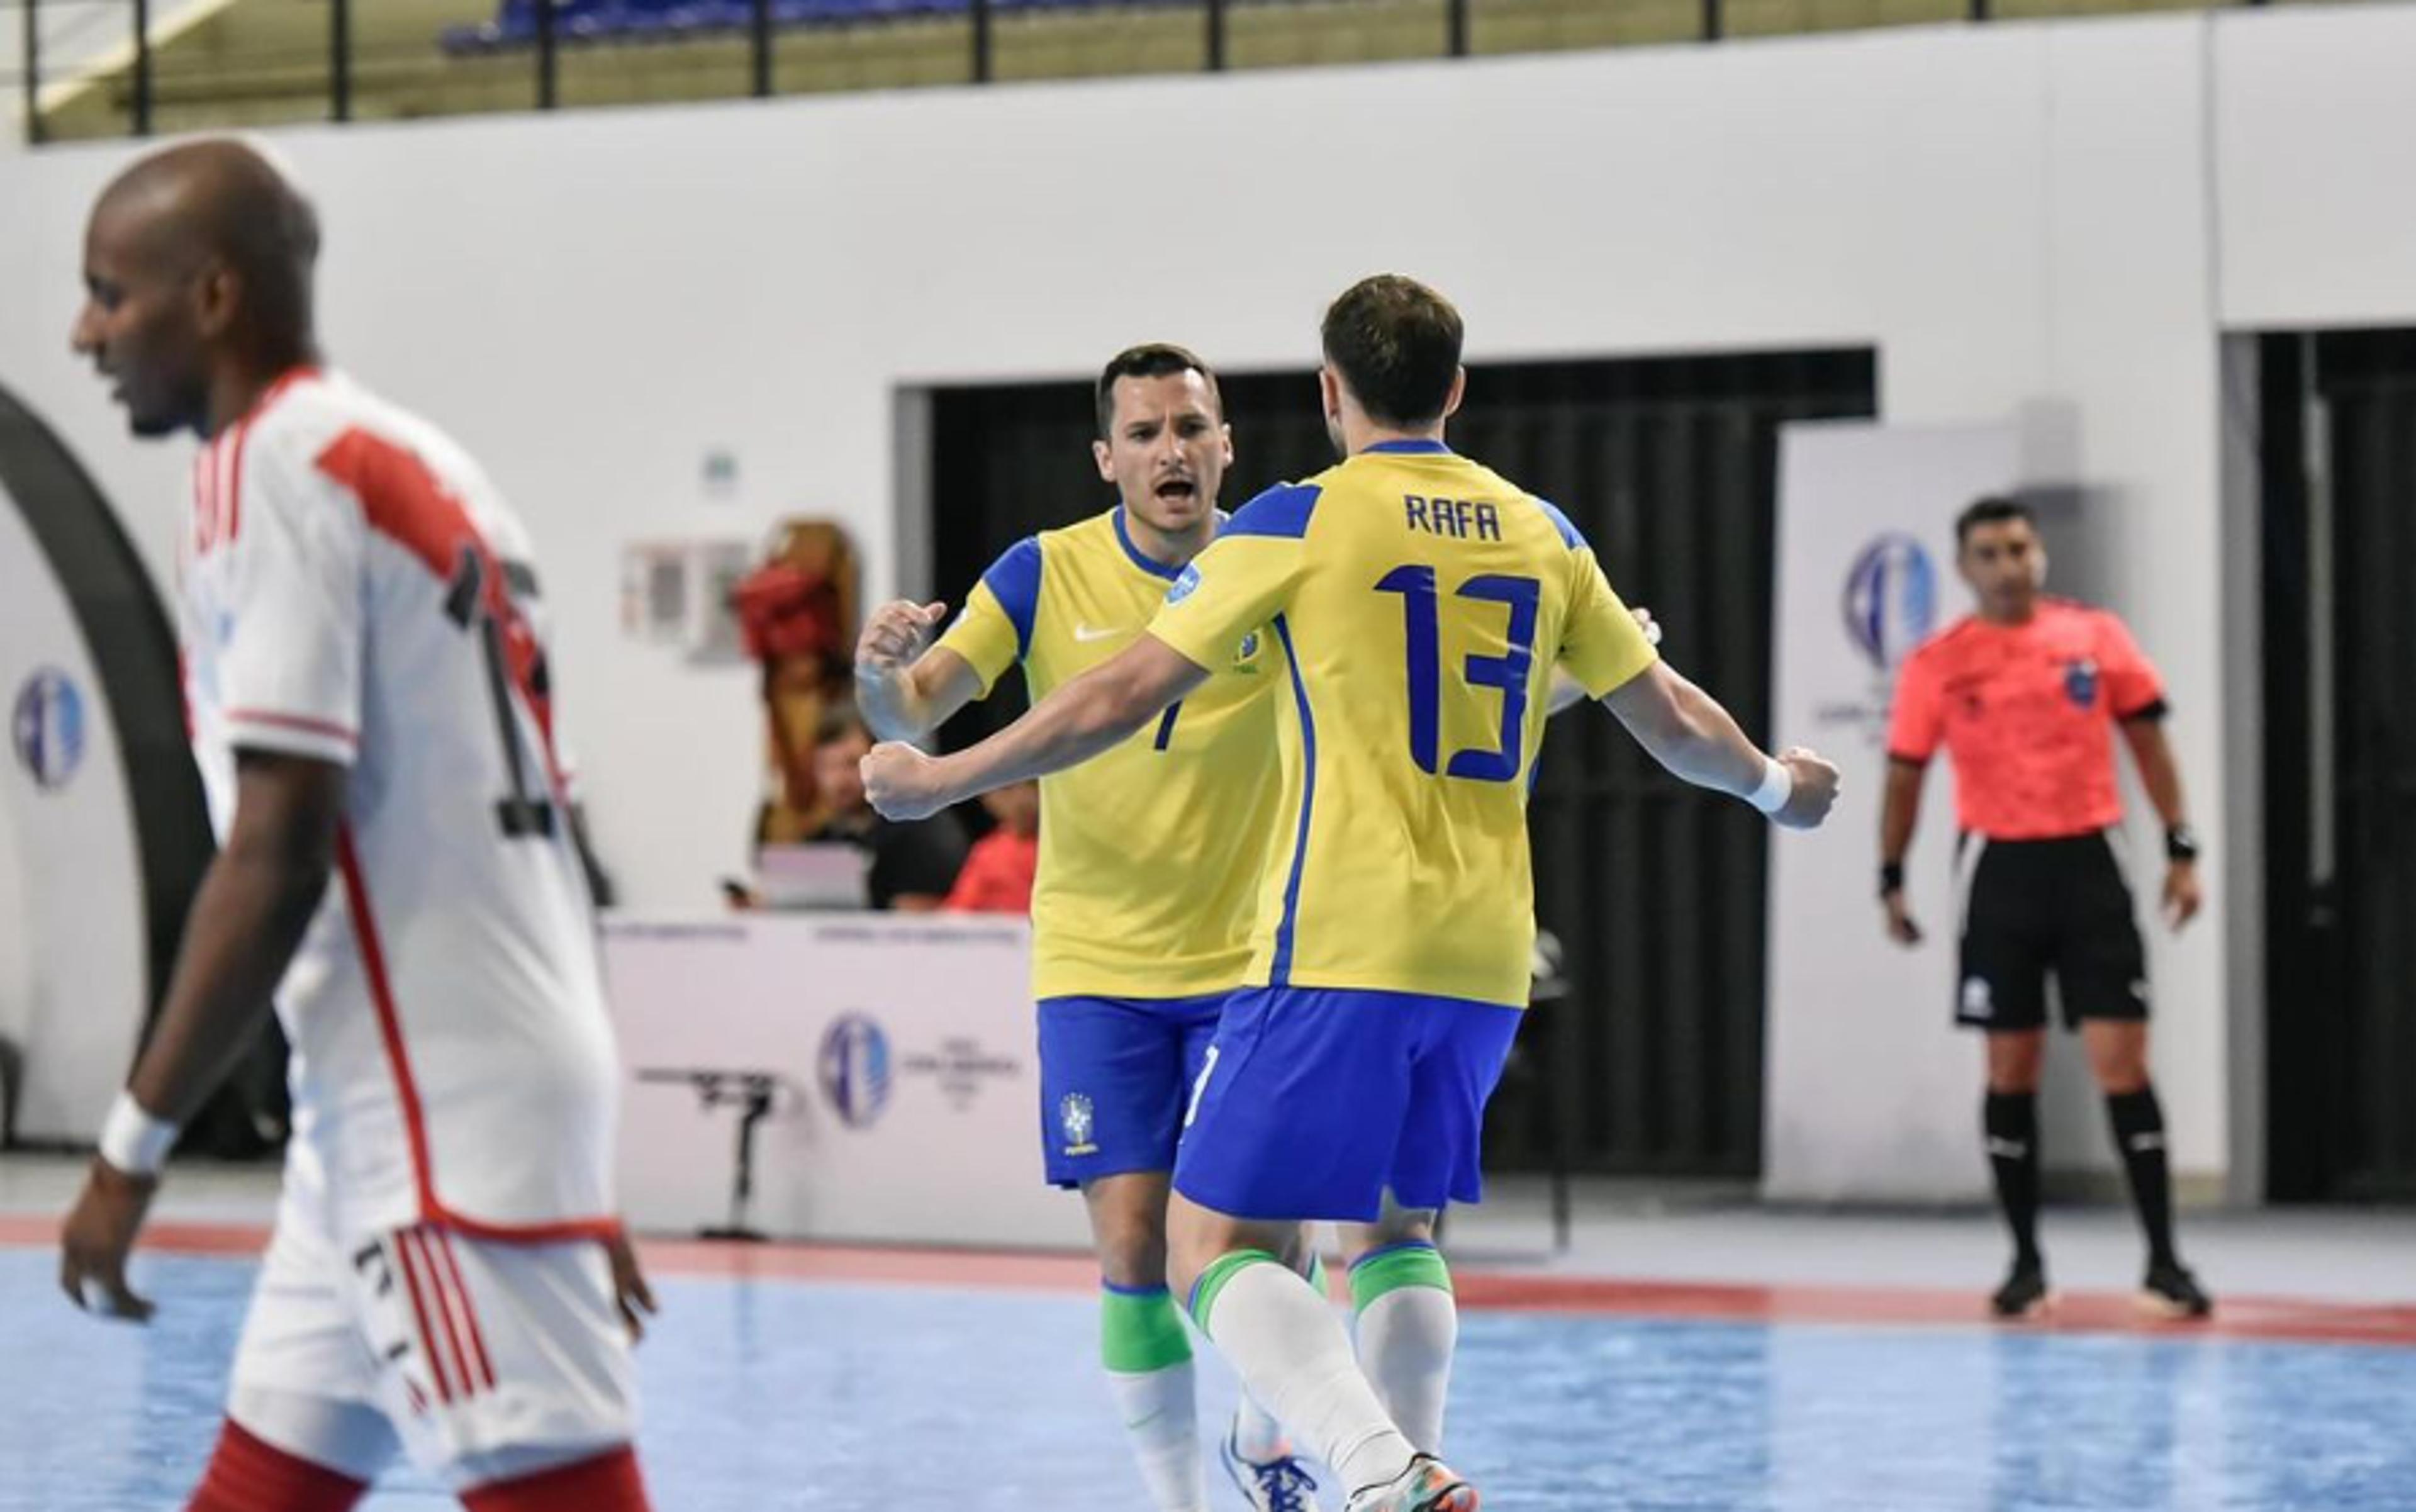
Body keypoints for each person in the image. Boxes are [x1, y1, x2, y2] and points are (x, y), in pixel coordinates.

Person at [862, 276, 1840, 1512]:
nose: (1174, 451)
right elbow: (1674, 717)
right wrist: (1772, 786)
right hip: (1483, 955)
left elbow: (1118, 694)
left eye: (1190, 427)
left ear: (1327, 396)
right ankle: (1366, 1461)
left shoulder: (1296, 522)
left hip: (1333, 938)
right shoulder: (1546, 530)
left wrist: (940, 777)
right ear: (1459, 387)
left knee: (1207, 1244)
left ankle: (1377, 1462)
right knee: (1397, 1233)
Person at [56, 140, 657, 1512]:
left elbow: (276, 847)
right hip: (424, 1106)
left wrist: (127, 1151)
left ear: (211, 299)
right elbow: (552, 838)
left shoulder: (260, 468)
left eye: (108, 294)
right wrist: (573, 1142)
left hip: (428, 1114)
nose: (83, 333)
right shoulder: (425, 461)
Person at [856, 344, 1326, 1511]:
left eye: (1193, 427)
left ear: (1227, 446)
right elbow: (916, 711)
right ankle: (1175, 1499)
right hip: (1096, 966)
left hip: (1253, 960)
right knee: (1130, 1247)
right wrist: (882, 676)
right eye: (1149, 431)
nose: (1174, 450)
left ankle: (1270, 1434)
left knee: (1254, 1244)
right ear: (1106, 457)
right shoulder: (1041, 571)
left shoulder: (1281, 559)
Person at [1880, 495, 2212, 1321]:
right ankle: (2026, 1261)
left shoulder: (2094, 637)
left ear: (2039, 555)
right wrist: (1891, 874)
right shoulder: (1938, 662)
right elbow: (1906, 772)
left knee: (2122, 1060)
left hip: (2089, 861)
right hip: (1999, 870)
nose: (2008, 565)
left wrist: (2181, 846)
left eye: (2020, 548)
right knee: (2009, 1066)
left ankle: (2165, 1260)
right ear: (1964, 567)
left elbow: (2150, 740)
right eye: (1989, 552)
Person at [800, 702, 967, 910]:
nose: (837, 781)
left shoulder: (922, 830)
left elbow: (919, 928)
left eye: (851, 764)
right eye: (826, 767)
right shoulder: (822, 843)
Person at [946, 781, 1041, 914]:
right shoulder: (988, 851)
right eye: (1005, 790)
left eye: (1009, 789)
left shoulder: (1061, 844)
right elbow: (958, 911)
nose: (1022, 799)